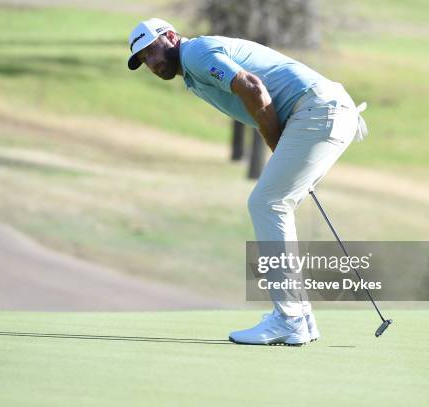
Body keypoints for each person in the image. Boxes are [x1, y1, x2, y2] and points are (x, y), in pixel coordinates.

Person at [127, 18, 366, 346]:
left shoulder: (195, 52)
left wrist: (280, 148)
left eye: (152, 50)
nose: (151, 63)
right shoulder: (194, 74)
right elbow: (257, 104)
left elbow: (253, 88)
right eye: (143, 60)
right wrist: (283, 151)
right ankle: (302, 318)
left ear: (170, 36)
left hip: (317, 110)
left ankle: (289, 318)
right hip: (324, 111)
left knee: (267, 203)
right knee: (275, 203)